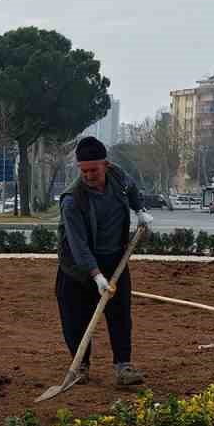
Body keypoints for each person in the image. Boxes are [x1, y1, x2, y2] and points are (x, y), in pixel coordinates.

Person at [56, 136, 153, 387]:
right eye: (83, 170)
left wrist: (140, 210)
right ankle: (81, 367)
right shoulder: (72, 200)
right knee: (76, 318)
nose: (88, 175)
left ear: (106, 165)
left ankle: (123, 367)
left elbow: (132, 190)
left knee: (120, 314)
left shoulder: (118, 177)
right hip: (77, 268)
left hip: (114, 259)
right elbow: (78, 245)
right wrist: (96, 275)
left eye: (93, 170)